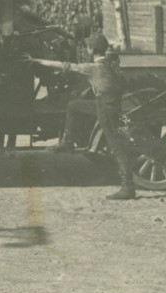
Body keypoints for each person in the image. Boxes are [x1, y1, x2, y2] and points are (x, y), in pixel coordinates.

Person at [25, 34, 136, 200]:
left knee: (117, 146)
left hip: (106, 110)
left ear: (91, 49)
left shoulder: (93, 67)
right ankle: (68, 142)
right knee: (74, 106)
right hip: (111, 105)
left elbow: (65, 66)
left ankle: (128, 188)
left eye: (87, 47)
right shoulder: (110, 64)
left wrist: (36, 60)